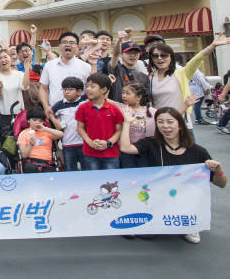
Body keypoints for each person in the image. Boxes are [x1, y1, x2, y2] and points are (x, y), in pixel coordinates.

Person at [119, 106, 226, 244]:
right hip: (156, 198)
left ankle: (191, 226)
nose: (165, 126)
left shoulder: (197, 151)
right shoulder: (151, 143)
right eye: (160, 122)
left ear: (180, 125)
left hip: (184, 201)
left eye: (170, 122)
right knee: (147, 235)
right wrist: (127, 123)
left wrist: (218, 170)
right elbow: (126, 148)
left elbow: (221, 184)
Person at [149, 34, 230, 137]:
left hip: (182, 124)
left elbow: (196, 60)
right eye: (155, 56)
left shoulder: (181, 73)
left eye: (164, 55)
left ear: (171, 57)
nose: (160, 59)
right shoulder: (150, 77)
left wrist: (212, 46)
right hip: (160, 126)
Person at [76, 73, 124, 170]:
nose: (88, 89)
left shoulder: (114, 109)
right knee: (93, 181)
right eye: (87, 86)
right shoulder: (83, 108)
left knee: (111, 182)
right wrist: (90, 142)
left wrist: (108, 143)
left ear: (104, 90)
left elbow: (119, 130)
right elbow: (80, 128)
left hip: (110, 154)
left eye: (92, 86)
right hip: (90, 153)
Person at [39, 31, 92, 116]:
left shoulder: (86, 67)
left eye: (72, 43)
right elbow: (43, 88)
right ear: (59, 46)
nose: (68, 45)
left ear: (77, 46)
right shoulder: (49, 66)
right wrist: (46, 106)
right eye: (64, 42)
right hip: (55, 113)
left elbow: (90, 90)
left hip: (80, 114)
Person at [48, 77, 87, 171]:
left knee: (87, 169)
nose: (66, 92)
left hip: (84, 142)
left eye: (70, 89)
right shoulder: (59, 105)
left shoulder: (85, 100)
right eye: (64, 89)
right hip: (67, 143)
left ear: (79, 91)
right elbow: (50, 113)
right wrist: (56, 122)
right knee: (70, 169)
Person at [115, 82, 156, 168]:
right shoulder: (121, 108)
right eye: (123, 93)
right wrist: (110, 83)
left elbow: (171, 116)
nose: (124, 96)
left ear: (139, 97)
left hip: (145, 151)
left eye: (127, 93)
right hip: (126, 151)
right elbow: (105, 99)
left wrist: (185, 106)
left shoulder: (152, 111)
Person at [0, 49, 30, 137]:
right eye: (0, 58)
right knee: (6, 143)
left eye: (5, 57)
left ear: (11, 59)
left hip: (18, 113)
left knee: (20, 140)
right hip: (2, 114)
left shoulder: (19, 74)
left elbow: (25, 87)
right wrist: (0, 83)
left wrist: (27, 69)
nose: (3, 60)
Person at [17, 107, 63, 173]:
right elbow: (24, 155)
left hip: (47, 164)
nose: (37, 123)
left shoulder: (47, 132)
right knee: (29, 168)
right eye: (34, 120)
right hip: (31, 163)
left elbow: (61, 134)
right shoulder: (23, 133)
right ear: (28, 120)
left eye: (40, 121)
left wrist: (46, 129)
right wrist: (31, 144)